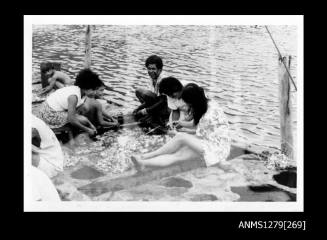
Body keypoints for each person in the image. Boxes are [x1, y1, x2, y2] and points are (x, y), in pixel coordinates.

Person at [131, 83, 231, 171]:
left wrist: (180, 133)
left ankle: (146, 156)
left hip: (216, 146)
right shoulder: (206, 104)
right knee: (178, 155)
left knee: (180, 137)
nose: (186, 105)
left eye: (188, 103)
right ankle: (143, 163)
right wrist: (183, 128)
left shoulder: (208, 114)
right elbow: (200, 129)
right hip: (210, 141)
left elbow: (199, 134)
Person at [37, 68, 104, 136]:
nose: (95, 93)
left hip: (52, 108)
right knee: (82, 120)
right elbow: (71, 119)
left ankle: (75, 126)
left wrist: (90, 125)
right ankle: (71, 132)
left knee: (84, 110)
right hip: (48, 113)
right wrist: (87, 129)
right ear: (85, 88)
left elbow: (81, 109)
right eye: (93, 90)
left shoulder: (82, 93)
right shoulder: (73, 97)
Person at [133, 55, 170, 129]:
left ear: (160, 70)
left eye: (153, 69)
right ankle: (152, 114)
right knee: (138, 91)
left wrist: (146, 110)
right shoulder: (152, 78)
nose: (150, 71)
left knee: (146, 93)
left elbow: (163, 101)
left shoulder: (163, 80)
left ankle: (155, 116)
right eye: (149, 68)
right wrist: (138, 108)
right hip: (157, 104)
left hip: (166, 108)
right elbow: (150, 100)